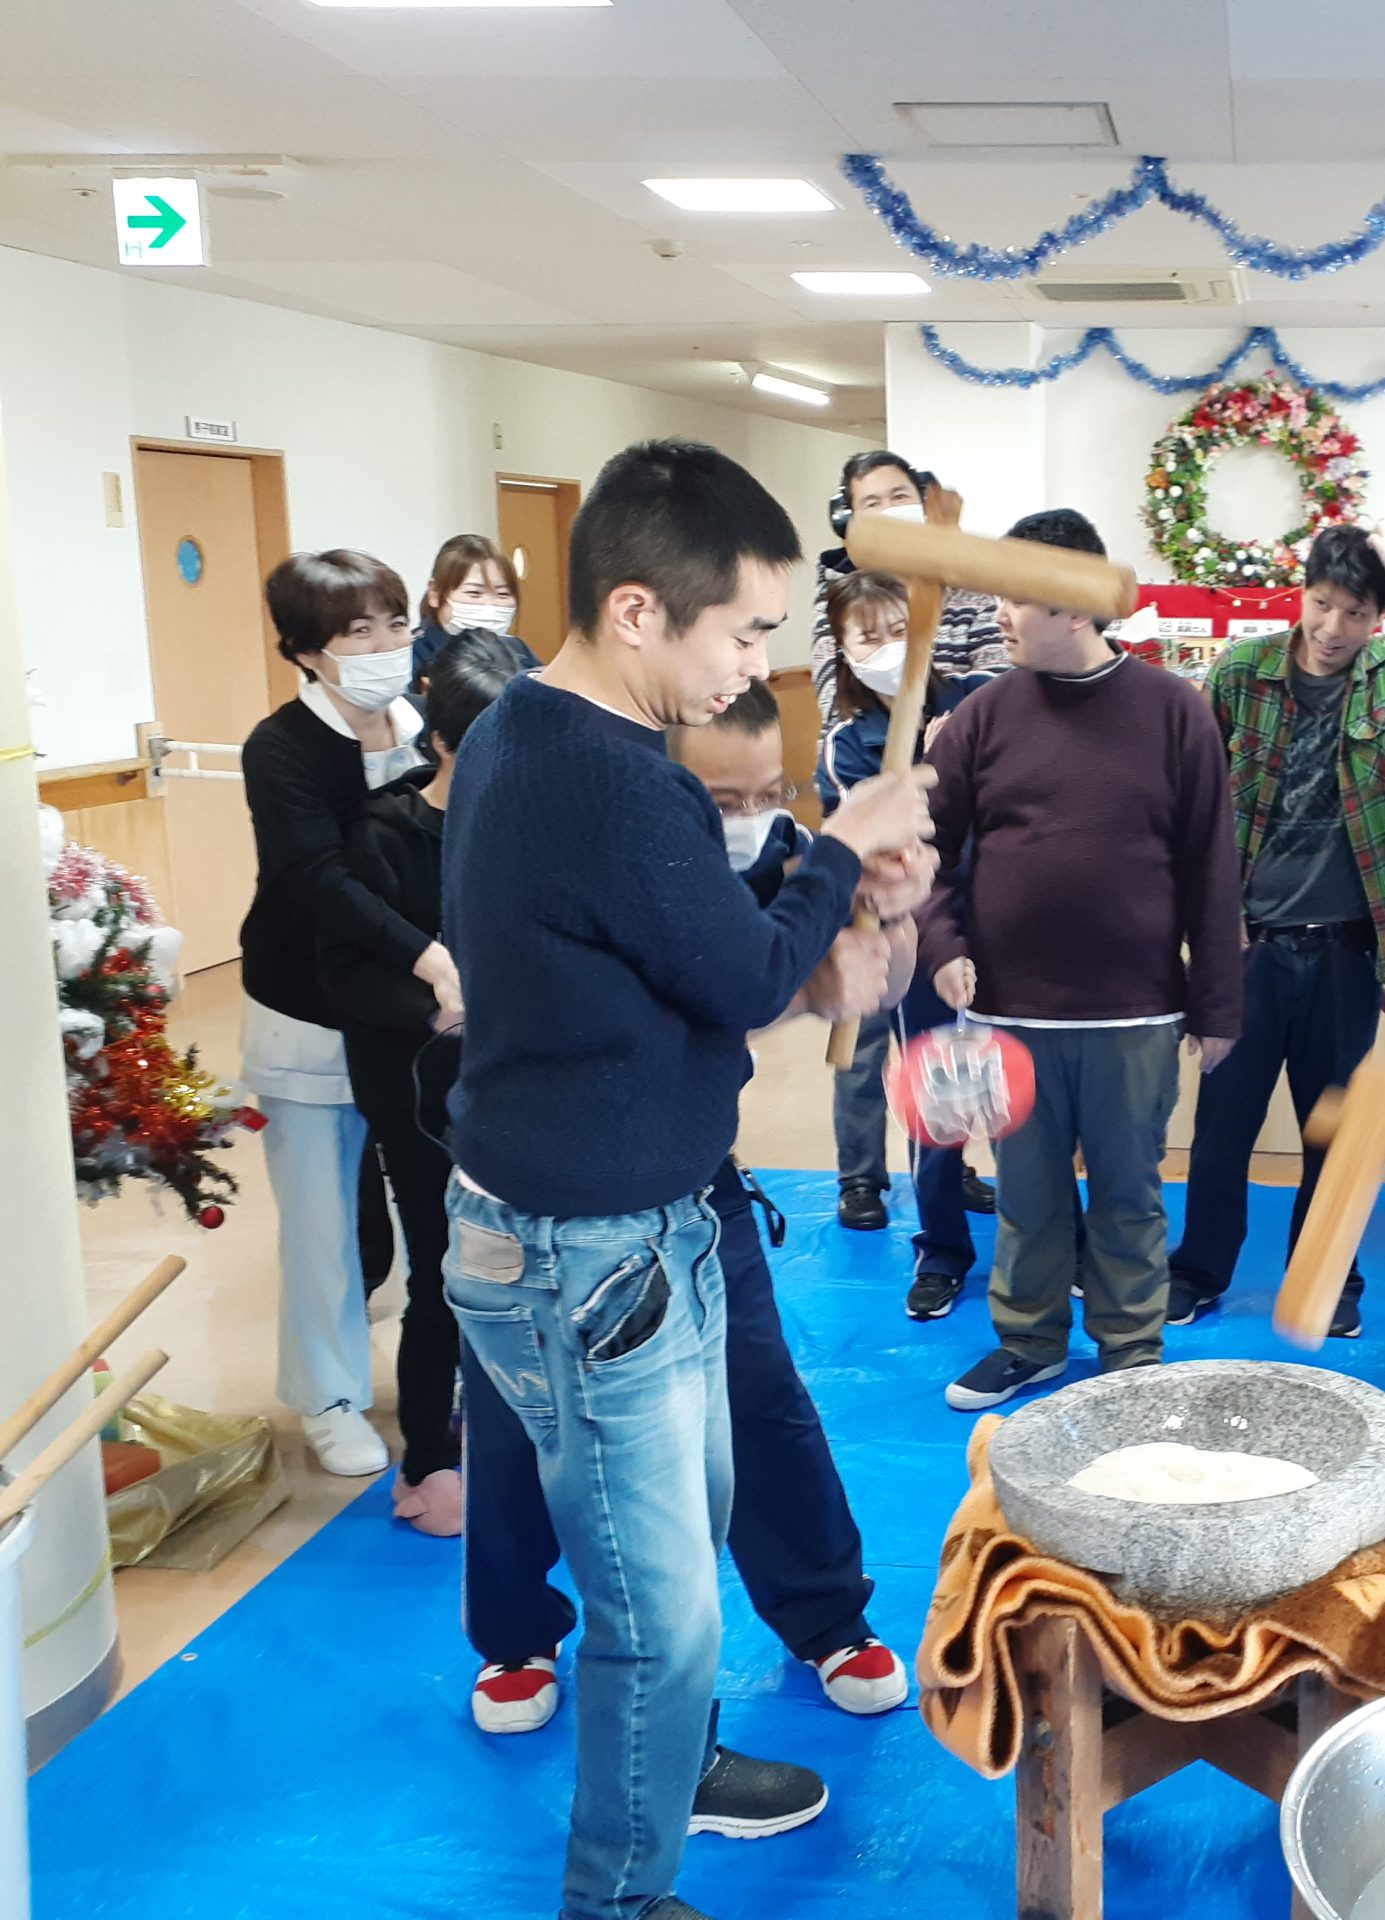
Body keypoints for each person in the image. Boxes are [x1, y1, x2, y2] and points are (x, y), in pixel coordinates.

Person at [442, 438, 935, 1920]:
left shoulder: (523, 731)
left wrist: (821, 902)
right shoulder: (611, 778)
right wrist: (840, 854)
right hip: (590, 1252)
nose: (753, 667)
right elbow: (737, 980)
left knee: (694, 1525)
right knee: (657, 1614)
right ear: (639, 611)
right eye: (742, 633)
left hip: (641, 1221)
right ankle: (620, 1897)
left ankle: (676, 1769)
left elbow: (665, 962)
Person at [463, 675, 917, 1744]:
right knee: (521, 1411)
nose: (750, 818)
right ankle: (517, 1633)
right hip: (541, 1186)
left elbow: (844, 973)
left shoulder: (781, 852)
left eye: (767, 792)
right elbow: (713, 998)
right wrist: (803, 982)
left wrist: (884, 909)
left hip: (688, 1175)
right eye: (721, 800)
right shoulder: (598, 829)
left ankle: (826, 1614)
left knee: (757, 1386)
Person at [921, 508, 1244, 1412]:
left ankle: (1130, 1352)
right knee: (1027, 1197)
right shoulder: (983, 715)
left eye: (1017, 596)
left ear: (1072, 603)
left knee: (1129, 1194)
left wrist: (1218, 1004)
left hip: (1135, 1014)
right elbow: (925, 849)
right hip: (1009, 1013)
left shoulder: (1175, 712)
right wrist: (943, 946)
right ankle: (1028, 1342)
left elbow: (1212, 866)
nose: (999, 614)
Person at [1166, 527, 1385, 1340]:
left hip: (1347, 951)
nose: (1334, 628)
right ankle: (1197, 1270)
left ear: (1380, 617)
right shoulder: (1242, 673)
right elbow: (1192, 800)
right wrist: (1203, 932)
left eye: (1356, 613)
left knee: (1334, 1132)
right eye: (1322, 605)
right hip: (1251, 948)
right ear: (1300, 596)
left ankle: (1330, 1275)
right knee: (1221, 1128)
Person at [239, 548, 457, 1478]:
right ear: (305, 650)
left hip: (416, 1020)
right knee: (324, 1220)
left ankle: (438, 1380)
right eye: (356, 631)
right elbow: (320, 876)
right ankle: (329, 1399)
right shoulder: (280, 747)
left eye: (395, 623)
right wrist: (426, 955)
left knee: (433, 1211)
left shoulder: (427, 725)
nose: (384, 645)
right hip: (310, 1009)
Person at [319, 632, 523, 1534]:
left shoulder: (531, 822)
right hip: (416, 1092)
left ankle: (502, 1423)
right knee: (442, 1264)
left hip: (515, 1084)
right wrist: (434, 1010)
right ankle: (428, 1459)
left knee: (517, 1264)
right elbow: (347, 976)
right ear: (441, 741)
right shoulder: (386, 832)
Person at [816, 570, 992, 1307]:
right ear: (843, 648)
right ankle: (941, 1246)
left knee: (1009, 1084)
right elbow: (886, 845)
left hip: (996, 915)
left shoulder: (976, 699)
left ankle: (1048, 1239)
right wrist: (934, 762)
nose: (889, 648)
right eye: (869, 637)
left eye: (900, 630)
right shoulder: (848, 743)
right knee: (934, 1080)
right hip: (910, 930)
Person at [809, 450, 1006, 727]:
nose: (889, 510)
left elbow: (998, 687)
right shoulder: (840, 597)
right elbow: (835, 700)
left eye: (900, 496)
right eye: (872, 503)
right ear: (849, 520)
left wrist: (946, 738)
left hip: (963, 743)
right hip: (866, 748)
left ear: (922, 502)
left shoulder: (969, 590)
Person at [410, 533, 537, 683]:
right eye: (474, 593)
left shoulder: (519, 650)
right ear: (435, 593)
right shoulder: (412, 654)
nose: (490, 605)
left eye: (503, 594)